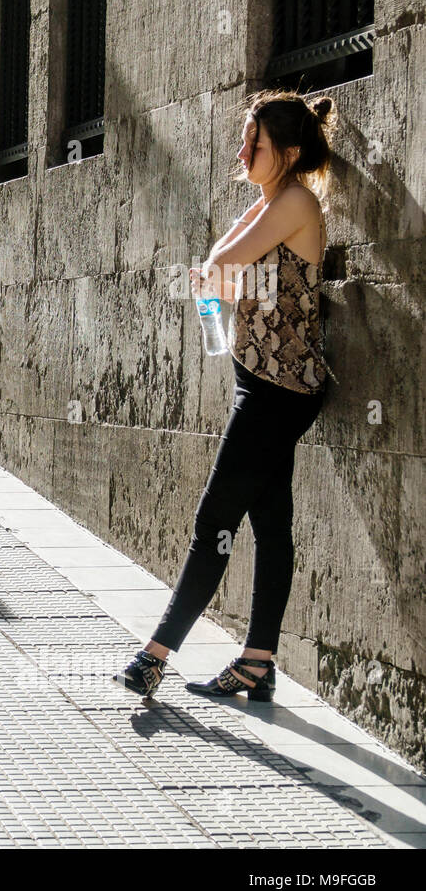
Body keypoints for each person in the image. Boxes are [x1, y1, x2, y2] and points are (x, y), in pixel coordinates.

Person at [115, 91, 338, 701]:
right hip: (260, 380)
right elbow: (225, 272)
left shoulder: (294, 200)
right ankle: (257, 663)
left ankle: (154, 655)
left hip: (280, 389)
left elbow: (218, 262)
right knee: (270, 520)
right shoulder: (271, 199)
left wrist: (221, 275)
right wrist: (222, 277)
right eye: (245, 139)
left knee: (216, 517)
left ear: (287, 153)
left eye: (255, 144)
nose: (243, 152)